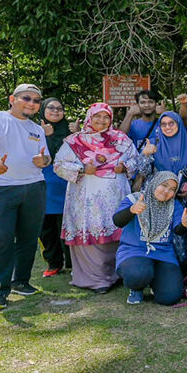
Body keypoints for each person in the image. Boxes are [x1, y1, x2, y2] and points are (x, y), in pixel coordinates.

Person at [54, 102, 148, 293]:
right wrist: (81, 169)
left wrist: (125, 167)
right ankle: (95, 280)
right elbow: (58, 165)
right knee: (92, 233)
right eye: (97, 116)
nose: (102, 120)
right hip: (85, 200)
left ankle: (117, 273)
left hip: (115, 197)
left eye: (106, 117)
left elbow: (136, 160)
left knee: (116, 231)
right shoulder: (75, 141)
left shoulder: (120, 139)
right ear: (90, 116)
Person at [0, 83, 51, 311]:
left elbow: (45, 158)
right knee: (2, 239)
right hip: (0, 187)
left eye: (37, 101)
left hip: (34, 187)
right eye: (27, 98)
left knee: (29, 238)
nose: (32, 103)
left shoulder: (37, 129)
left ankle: (21, 282)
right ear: (12, 98)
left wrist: (43, 162)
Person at [113, 171, 187, 305]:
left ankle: (156, 282)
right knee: (138, 274)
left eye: (172, 189)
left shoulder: (174, 205)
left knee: (170, 297)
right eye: (164, 185)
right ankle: (136, 288)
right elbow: (117, 221)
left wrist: (185, 224)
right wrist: (131, 210)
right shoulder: (135, 199)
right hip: (135, 252)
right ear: (155, 182)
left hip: (163, 255)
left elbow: (178, 230)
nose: (166, 191)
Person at [38, 96, 74, 277]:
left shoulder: (71, 130)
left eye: (59, 108)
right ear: (42, 110)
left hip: (66, 186)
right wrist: (44, 136)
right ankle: (53, 263)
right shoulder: (34, 131)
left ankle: (72, 263)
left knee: (66, 226)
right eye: (51, 108)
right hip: (43, 187)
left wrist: (77, 134)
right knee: (46, 228)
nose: (55, 111)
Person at [142, 111, 187, 202]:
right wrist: (145, 155)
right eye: (163, 124)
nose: (167, 127)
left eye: (171, 123)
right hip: (154, 197)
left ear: (179, 124)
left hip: (179, 199)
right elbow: (144, 172)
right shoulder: (152, 145)